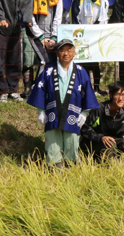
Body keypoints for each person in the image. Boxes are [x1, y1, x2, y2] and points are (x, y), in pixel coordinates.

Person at [27, 39, 100, 167]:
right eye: (62, 50)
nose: (66, 53)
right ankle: (54, 173)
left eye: (69, 50)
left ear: (74, 53)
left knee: (72, 144)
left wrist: (84, 113)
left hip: (73, 115)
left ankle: (70, 172)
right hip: (52, 114)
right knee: (53, 146)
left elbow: (88, 93)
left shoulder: (81, 72)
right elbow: (40, 90)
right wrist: (41, 111)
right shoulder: (48, 71)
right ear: (57, 53)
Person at [21, 0, 58, 96]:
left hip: (50, 29)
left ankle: (41, 86)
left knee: (48, 59)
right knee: (28, 57)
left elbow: (58, 16)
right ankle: (28, 87)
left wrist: (54, 36)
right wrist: (40, 35)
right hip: (29, 25)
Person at [25, 0, 63, 97]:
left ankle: (45, 87)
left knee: (53, 62)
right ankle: (37, 89)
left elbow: (58, 18)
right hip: (36, 35)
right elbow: (30, 18)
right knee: (44, 61)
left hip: (51, 36)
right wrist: (40, 37)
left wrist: (54, 37)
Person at [71, 0, 109, 96]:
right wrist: (81, 34)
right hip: (80, 35)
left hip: (96, 36)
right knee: (82, 62)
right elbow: (74, 17)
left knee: (95, 62)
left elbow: (103, 20)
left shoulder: (105, 2)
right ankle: (83, 88)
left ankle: (97, 88)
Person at [80, 81, 124, 160]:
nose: (120, 98)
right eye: (117, 94)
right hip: (95, 142)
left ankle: (116, 158)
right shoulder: (98, 109)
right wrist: (101, 137)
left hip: (114, 141)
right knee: (110, 145)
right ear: (111, 95)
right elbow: (85, 130)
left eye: (123, 95)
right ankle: (99, 160)